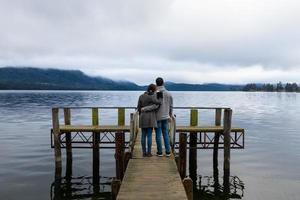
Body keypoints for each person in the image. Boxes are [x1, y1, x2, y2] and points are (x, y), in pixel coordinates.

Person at [137, 84, 161, 157]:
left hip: (142, 116)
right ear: (154, 89)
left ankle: (144, 153)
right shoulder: (154, 96)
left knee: (143, 135)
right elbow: (158, 104)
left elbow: (138, 107)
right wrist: (159, 94)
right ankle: (149, 153)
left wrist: (142, 110)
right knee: (149, 135)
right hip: (151, 117)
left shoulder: (141, 96)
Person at [155, 77, 173, 157]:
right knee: (165, 134)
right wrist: (170, 115)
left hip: (157, 117)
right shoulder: (169, 93)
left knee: (158, 134)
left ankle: (160, 152)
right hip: (166, 116)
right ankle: (168, 151)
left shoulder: (155, 93)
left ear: (156, 83)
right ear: (163, 83)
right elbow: (171, 106)